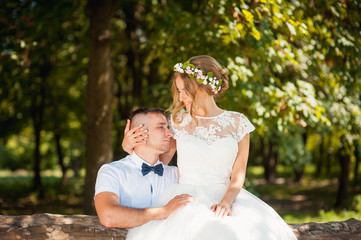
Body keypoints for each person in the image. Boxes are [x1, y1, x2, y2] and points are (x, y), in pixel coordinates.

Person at [123, 56, 297, 239]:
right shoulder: (177, 121)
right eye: (179, 91)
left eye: (184, 91)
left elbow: (238, 174)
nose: (180, 97)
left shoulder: (238, 123)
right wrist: (129, 147)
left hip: (226, 195)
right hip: (185, 199)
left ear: (201, 87)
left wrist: (226, 203)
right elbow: (158, 162)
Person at [94, 108, 194, 228]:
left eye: (168, 127)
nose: (170, 133)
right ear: (140, 132)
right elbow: (108, 216)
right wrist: (164, 211)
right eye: (161, 127)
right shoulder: (113, 171)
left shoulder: (177, 174)